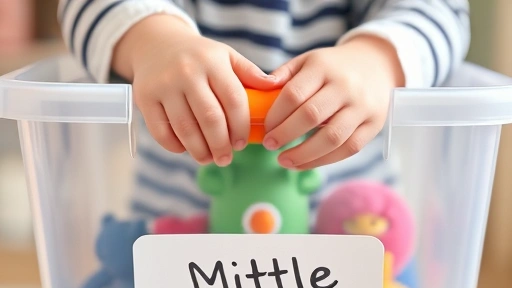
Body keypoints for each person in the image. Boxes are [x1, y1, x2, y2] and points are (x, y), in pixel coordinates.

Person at [58, 0, 470, 220]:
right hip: (181, 238)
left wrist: (376, 61)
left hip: (344, 231)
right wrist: (154, 43)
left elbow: (439, 10)